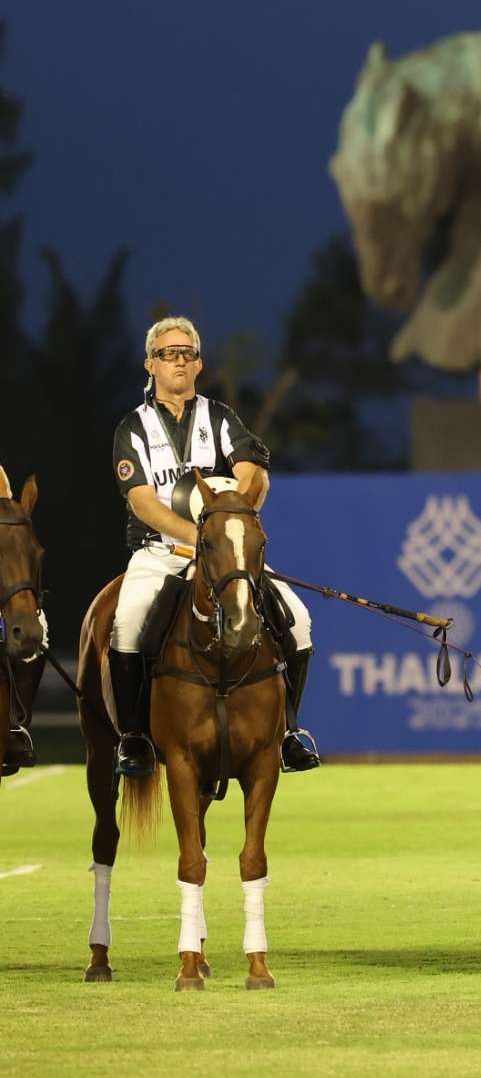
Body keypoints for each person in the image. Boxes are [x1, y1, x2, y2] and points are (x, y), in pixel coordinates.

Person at [108, 316, 320, 778]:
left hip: (225, 557)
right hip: (161, 552)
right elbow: (143, 502)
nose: (179, 361)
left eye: (188, 353)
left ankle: (288, 732)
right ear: (150, 364)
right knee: (127, 624)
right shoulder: (134, 428)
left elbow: (253, 473)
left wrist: (227, 526)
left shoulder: (220, 418)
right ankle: (134, 737)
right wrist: (198, 537)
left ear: (199, 364)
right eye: (168, 354)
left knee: (299, 621)